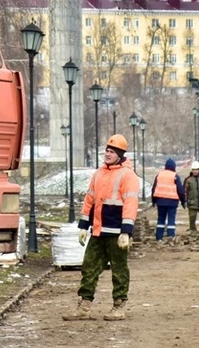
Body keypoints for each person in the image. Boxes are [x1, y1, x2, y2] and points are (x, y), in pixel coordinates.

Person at [64, 135, 140, 322]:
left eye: (111, 152)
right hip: (98, 231)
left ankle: (119, 305)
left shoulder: (128, 175)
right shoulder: (98, 174)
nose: (107, 154)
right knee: (89, 267)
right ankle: (84, 306)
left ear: (120, 155)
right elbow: (90, 200)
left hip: (116, 233)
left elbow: (130, 203)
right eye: (106, 150)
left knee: (119, 269)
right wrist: (83, 225)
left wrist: (126, 231)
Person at [151, 158, 186, 243]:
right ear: (174, 166)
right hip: (172, 202)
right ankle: (171, 236)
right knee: (171, 219)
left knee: (161, 219)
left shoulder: (159, 175)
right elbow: (180, 190)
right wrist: (183, 201)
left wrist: (153, 201)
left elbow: (154, 188)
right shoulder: (175, 176)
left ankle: (159, 237)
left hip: (161, 201)